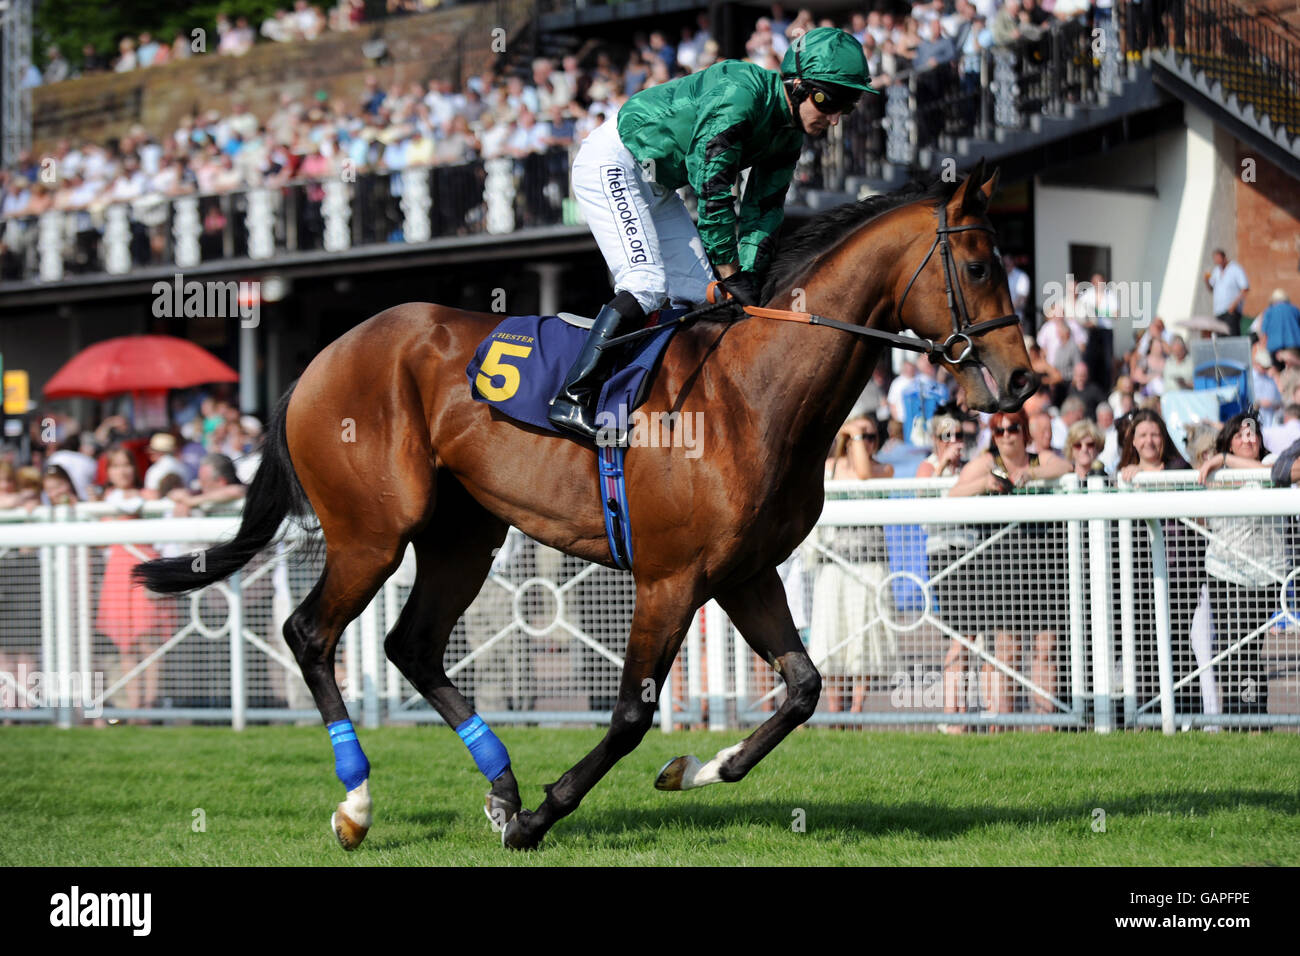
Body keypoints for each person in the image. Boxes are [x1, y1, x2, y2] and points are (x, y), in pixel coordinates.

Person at [549, 27, 877, 440]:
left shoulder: (789, 135)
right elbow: (713, 188)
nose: (833, 118)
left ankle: (660, 403)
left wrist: (750, 279)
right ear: (797, 85)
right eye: (828, 101)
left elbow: (763, 210)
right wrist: (730, 271)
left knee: (699, 295)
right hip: (614, 162)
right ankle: (572, 396)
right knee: (646, 283)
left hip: (658, 184)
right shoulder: (739, 92)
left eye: (846, 108)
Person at [948, 410, 1070, 729]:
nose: (1006, 435)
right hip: (1002, 565)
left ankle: (1047, 725)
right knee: (1007, 650)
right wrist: (983, 484)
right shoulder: (987, 462)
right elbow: (953, 494)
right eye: (999, 430)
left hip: (1044, 563)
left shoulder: (1037, 459)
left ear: (1024, 431)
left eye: (1012, 428)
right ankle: (1003, 724)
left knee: (1046, 646)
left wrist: (1035, 474)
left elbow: (1065, 466)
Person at [1198, 410, 1283, 718]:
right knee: (1233, 647)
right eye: (1240, 435)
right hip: (1224, 571)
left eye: (1253, 434)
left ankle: (1253, 714)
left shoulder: (1273, 464)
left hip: (1264, 573)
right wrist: (1217, 463)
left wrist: (1221, 460)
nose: (1248, 439)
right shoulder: (1216, 474)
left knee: (1249, 647)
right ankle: (1237, 713)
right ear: (1229, 442)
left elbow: (1267, 473)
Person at [809, 417, 895, 718]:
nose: (868, 442)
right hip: (832, 564)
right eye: (862, 436)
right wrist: (845, 433)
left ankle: (857, 710)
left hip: (869, 564)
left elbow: (862, 473)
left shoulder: (884, 470)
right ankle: (835, 711)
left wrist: (853, 434)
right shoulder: (829, 468)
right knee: (832, 636)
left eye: (871, 436)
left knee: (863, 639)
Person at [96, 447, 174, 721]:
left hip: (144, 568)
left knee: (148, 641)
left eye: (126, 464)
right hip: (118, 573)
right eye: (116, 466)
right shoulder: (101, 500)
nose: (122, 471)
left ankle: (149, 708)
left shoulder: (149, 497)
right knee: (125, 644)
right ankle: (132, 707)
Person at [1204, 249, 1249, 332]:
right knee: (1221, 338)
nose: (1216, 261)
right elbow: (1211, 289)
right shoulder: (1216, 271)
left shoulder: (1235, 269)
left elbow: (1245, 288)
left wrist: (1234, 305)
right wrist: (1206, 281)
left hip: (1231, 312)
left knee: (1232, 335)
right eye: (1215, 259)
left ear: (1224, 258)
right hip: (1218, 311)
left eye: (1218, 258)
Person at [1258, 289, 1300, 370]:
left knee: (1278, 372)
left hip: (1275, 348)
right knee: (1295, 371)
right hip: (1294, 346)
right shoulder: (1295, 309)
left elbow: (1263, 333)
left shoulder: (1269, 311)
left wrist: (1262, 347)